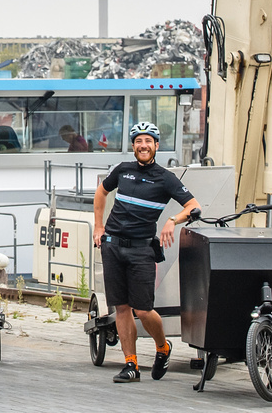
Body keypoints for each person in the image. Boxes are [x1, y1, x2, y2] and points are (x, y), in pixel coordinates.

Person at [92, 121, 201, 384]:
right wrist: (98, 226)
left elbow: (194, 206)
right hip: (113, 245)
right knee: (121, 308)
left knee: (143, 309)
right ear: (133, 146)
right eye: (139, 141)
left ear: (156, 146)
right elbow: (101, 191)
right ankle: (131, 365)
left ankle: (162, 347)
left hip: (141, 250)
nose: (143, 146)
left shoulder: (165, 178)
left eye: (148, 141)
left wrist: (172, 220)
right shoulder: (122, 170)